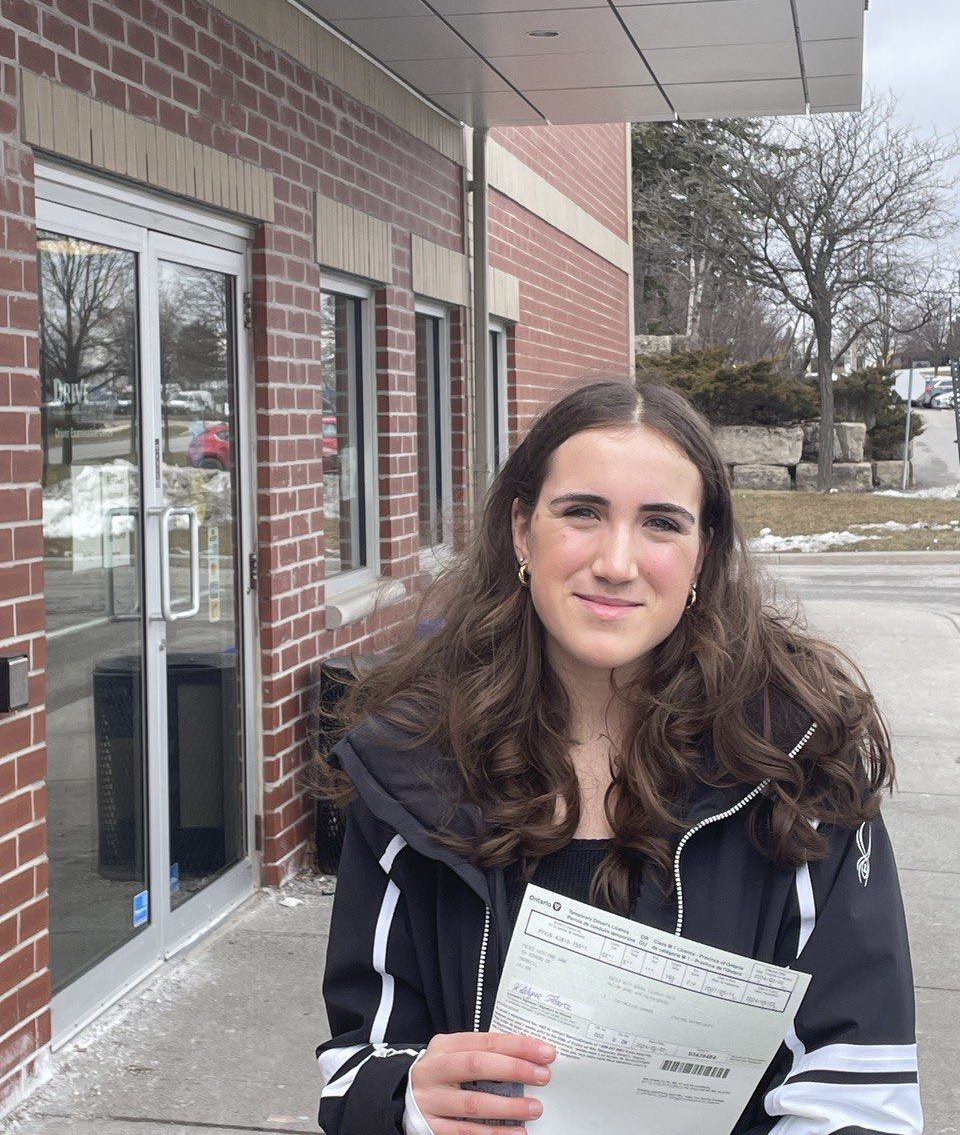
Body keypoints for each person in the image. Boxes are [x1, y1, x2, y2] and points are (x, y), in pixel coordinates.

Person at [315, 376, 922, 1135]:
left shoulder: (799, 767)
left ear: (703, 553)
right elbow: (355, 1062)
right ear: (522, 530)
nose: (617, 562)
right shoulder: (410, 768)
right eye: (582, 513)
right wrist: (407, 1102)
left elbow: (859, 1088)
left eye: (661, 523)